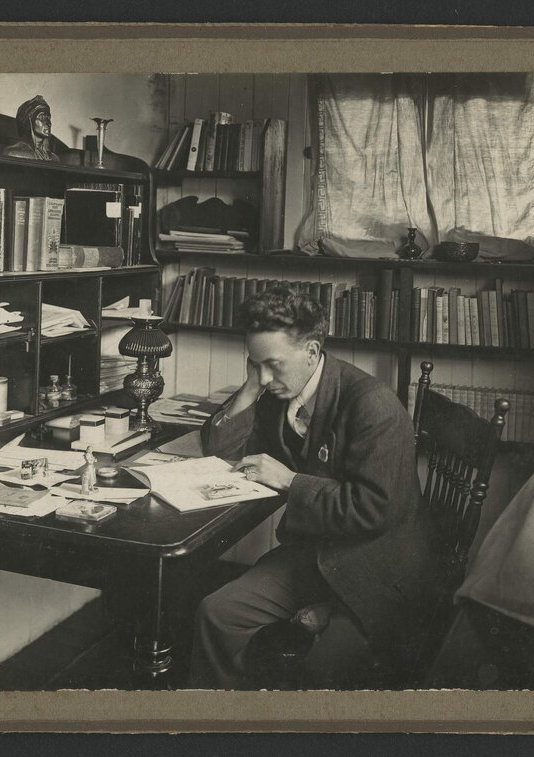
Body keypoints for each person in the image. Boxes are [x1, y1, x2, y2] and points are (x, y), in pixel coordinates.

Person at [189, 285, 441, 689]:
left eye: (273, 364)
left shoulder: (372, 404)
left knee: (320, 672)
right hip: (317, 557)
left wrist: (289, 481)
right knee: (216, 613)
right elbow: (217, 447)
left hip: (376, 570)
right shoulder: (278, 390)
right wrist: (253, 383)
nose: (267, 377)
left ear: (312, 351)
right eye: (256, 364)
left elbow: (375, 509)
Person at [3, 95, 60, 160]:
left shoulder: (54, 158)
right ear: (29, 122)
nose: (48, 123)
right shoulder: (13, 153)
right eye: (42, 117)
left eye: (48, 118)